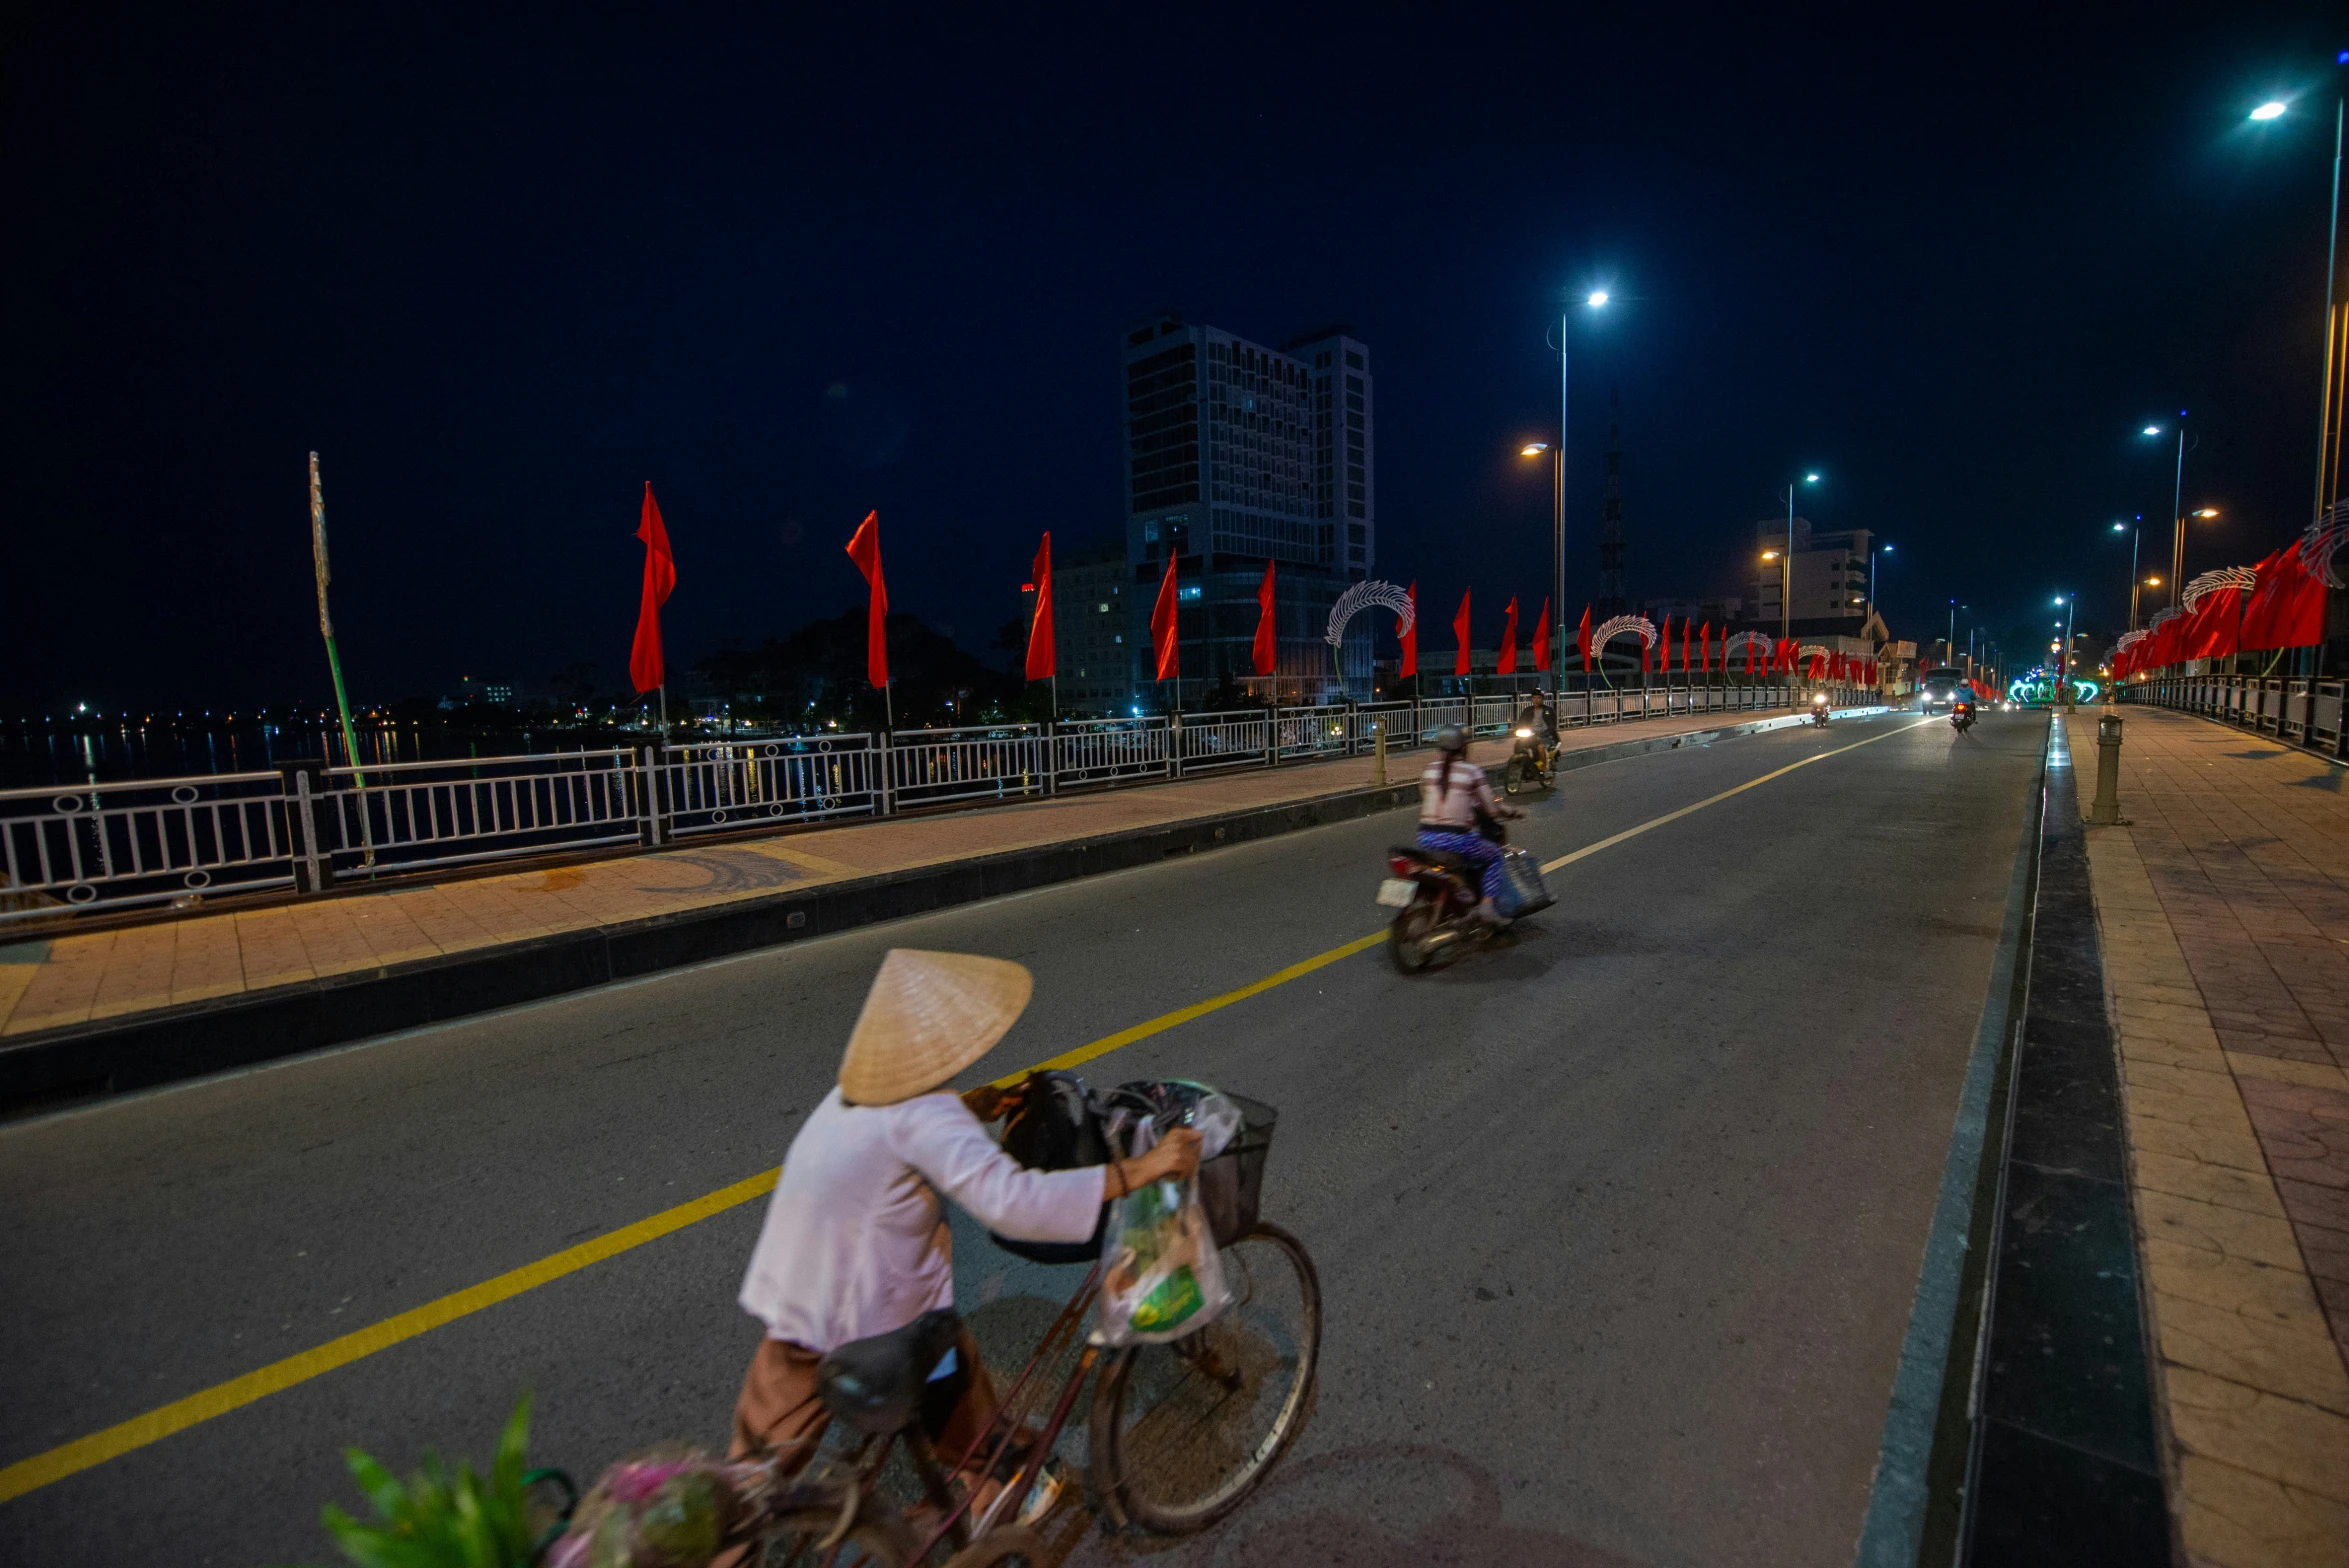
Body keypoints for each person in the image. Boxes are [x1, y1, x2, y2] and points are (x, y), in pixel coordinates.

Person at [725, 948, 1202, 1542]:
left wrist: (974, 1104)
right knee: (955, 1376)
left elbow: (900, 1138)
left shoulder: (851, 1095)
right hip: (877, 1317)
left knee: (753, 1477)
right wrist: (1142, 1168)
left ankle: (717, 1547)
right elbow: (1014, 1203)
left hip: (796, 1304)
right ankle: (999, 1488)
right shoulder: (930, 1117)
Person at [1416, 723, 1522, 924]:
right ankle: (1487, 908)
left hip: (1425, 839)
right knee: (1494, 855)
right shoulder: (1471, 771)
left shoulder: (1429, 771)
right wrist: (1512, 812)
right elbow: (1491, 809)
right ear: (1464, 747)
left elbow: (1429, 798)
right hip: (1456, 841)